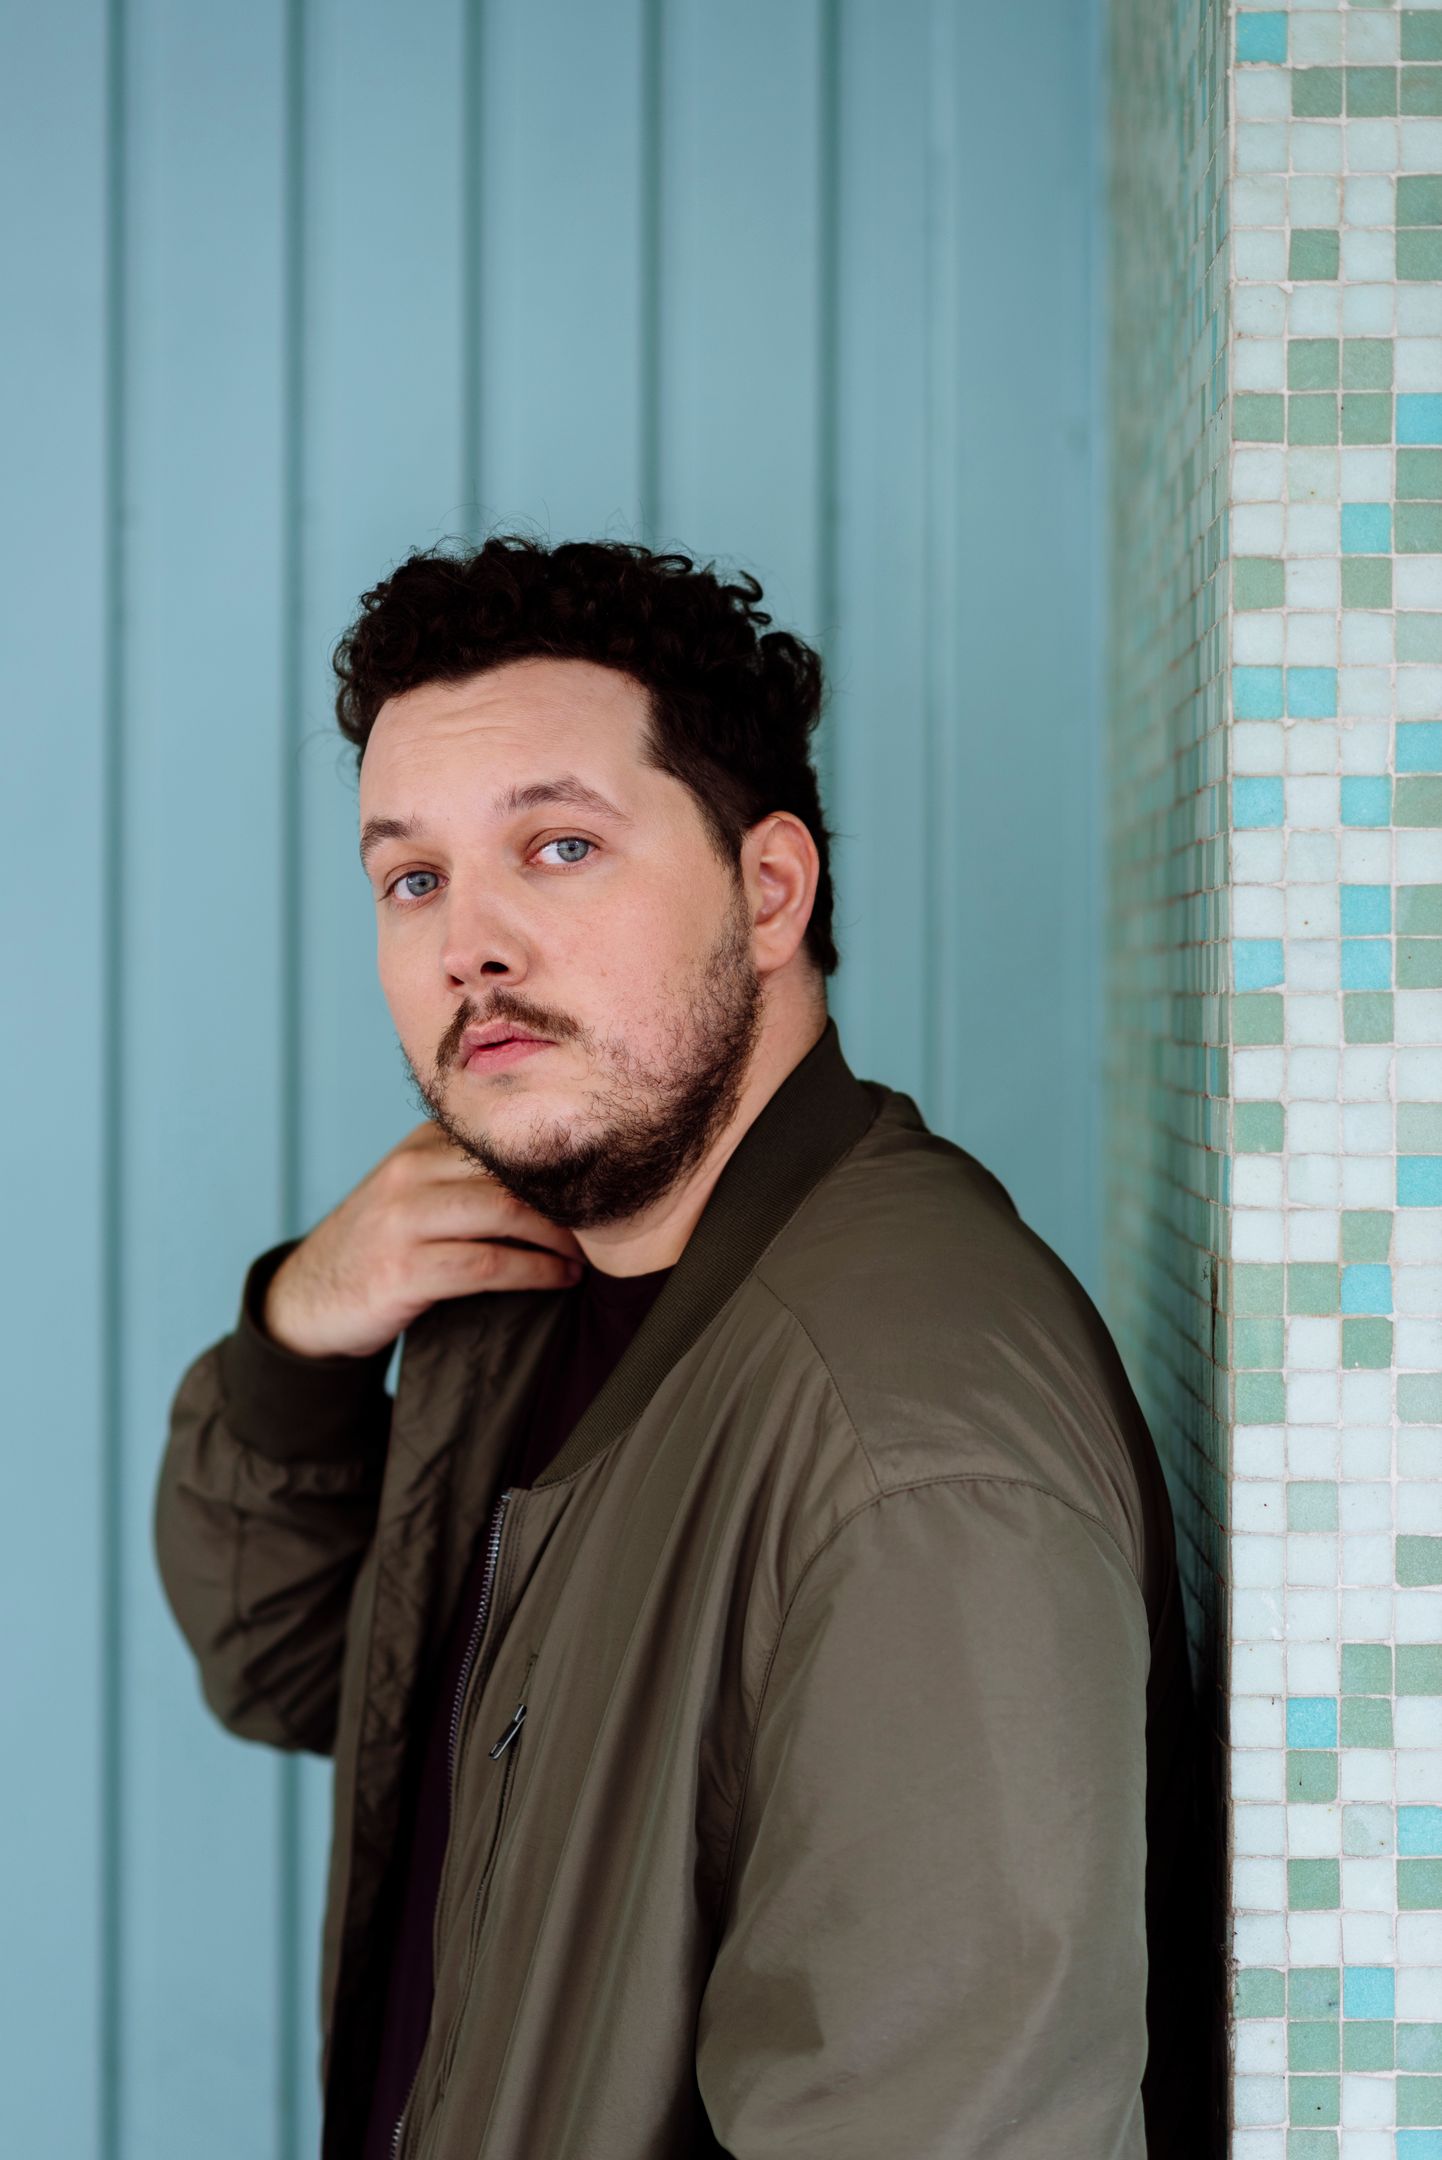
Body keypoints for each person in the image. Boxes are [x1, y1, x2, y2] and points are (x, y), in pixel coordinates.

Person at [154, 534, 1212, 2159]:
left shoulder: (904, 1447)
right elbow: (307, 1676)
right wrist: (299, 1337)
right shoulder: (529, 1284)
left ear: (768, 889)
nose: (467, 943)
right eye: (413, 878)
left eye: (560, 846)